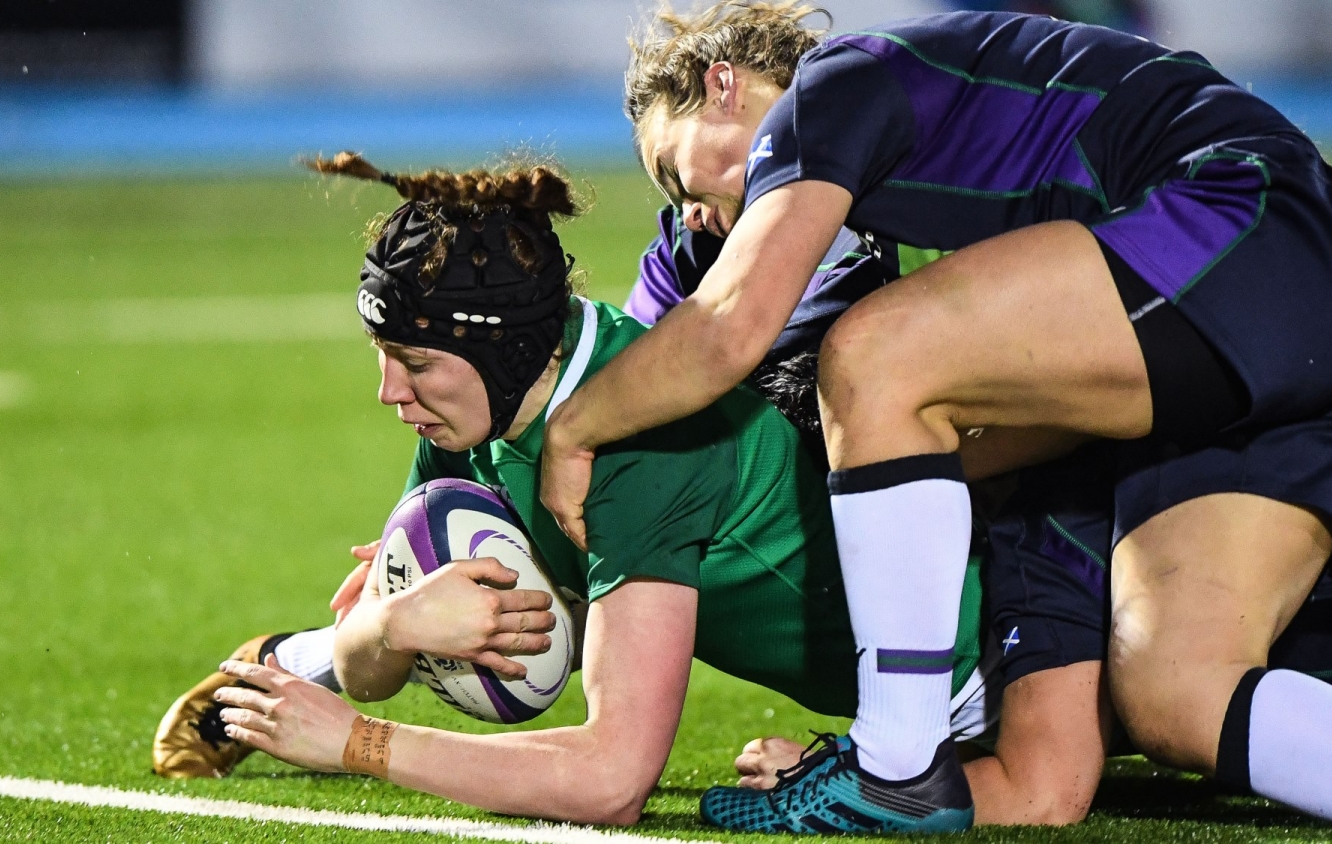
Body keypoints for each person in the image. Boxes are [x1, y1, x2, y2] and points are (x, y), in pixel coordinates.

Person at [535, 1, 1332, 833]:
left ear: (724, 84)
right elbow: (665, 347)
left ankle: (895, 762)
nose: (683, 206)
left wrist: (573, 430)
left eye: (672, 169)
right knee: (1174, 700)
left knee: (875, 355)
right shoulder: (734, 241)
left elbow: (724, 329)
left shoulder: (829, 94)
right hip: (1265, 362)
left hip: (1248, 219)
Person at [175, 152, 989, 824]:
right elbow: (373, 663)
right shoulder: (484, 414)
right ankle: (283, 661)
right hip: (912, 715)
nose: (390, 391)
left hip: (989, 684)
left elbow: (613, 780)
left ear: (503, 352)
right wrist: (390, 623)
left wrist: (362, 745)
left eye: (417, 363)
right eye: (382, 353)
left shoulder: (637, 438)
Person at [733, 202, 1332, 832]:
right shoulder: (1177, 359)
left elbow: (1042, 788)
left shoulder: (1045, 525)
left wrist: (847, 778)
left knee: (1176, 692)